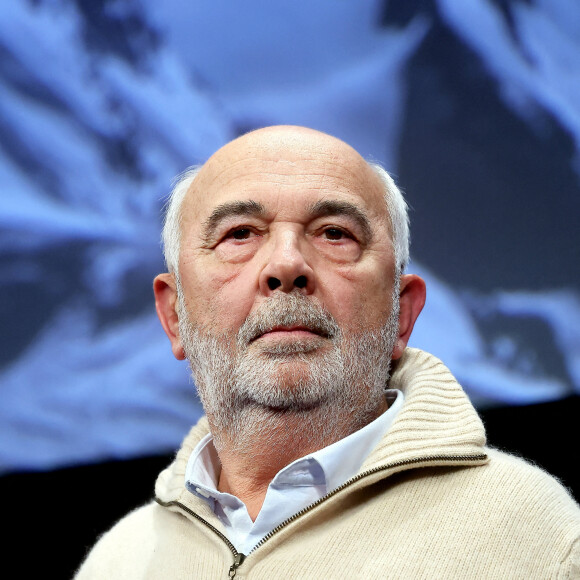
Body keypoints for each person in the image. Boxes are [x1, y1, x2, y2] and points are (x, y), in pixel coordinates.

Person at [76, 126, 580, 578]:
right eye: (240, 234)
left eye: (335, 234)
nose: (287, 264)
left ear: (401, 313)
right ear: (174, 316)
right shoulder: (119, 561)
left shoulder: (541, 539)